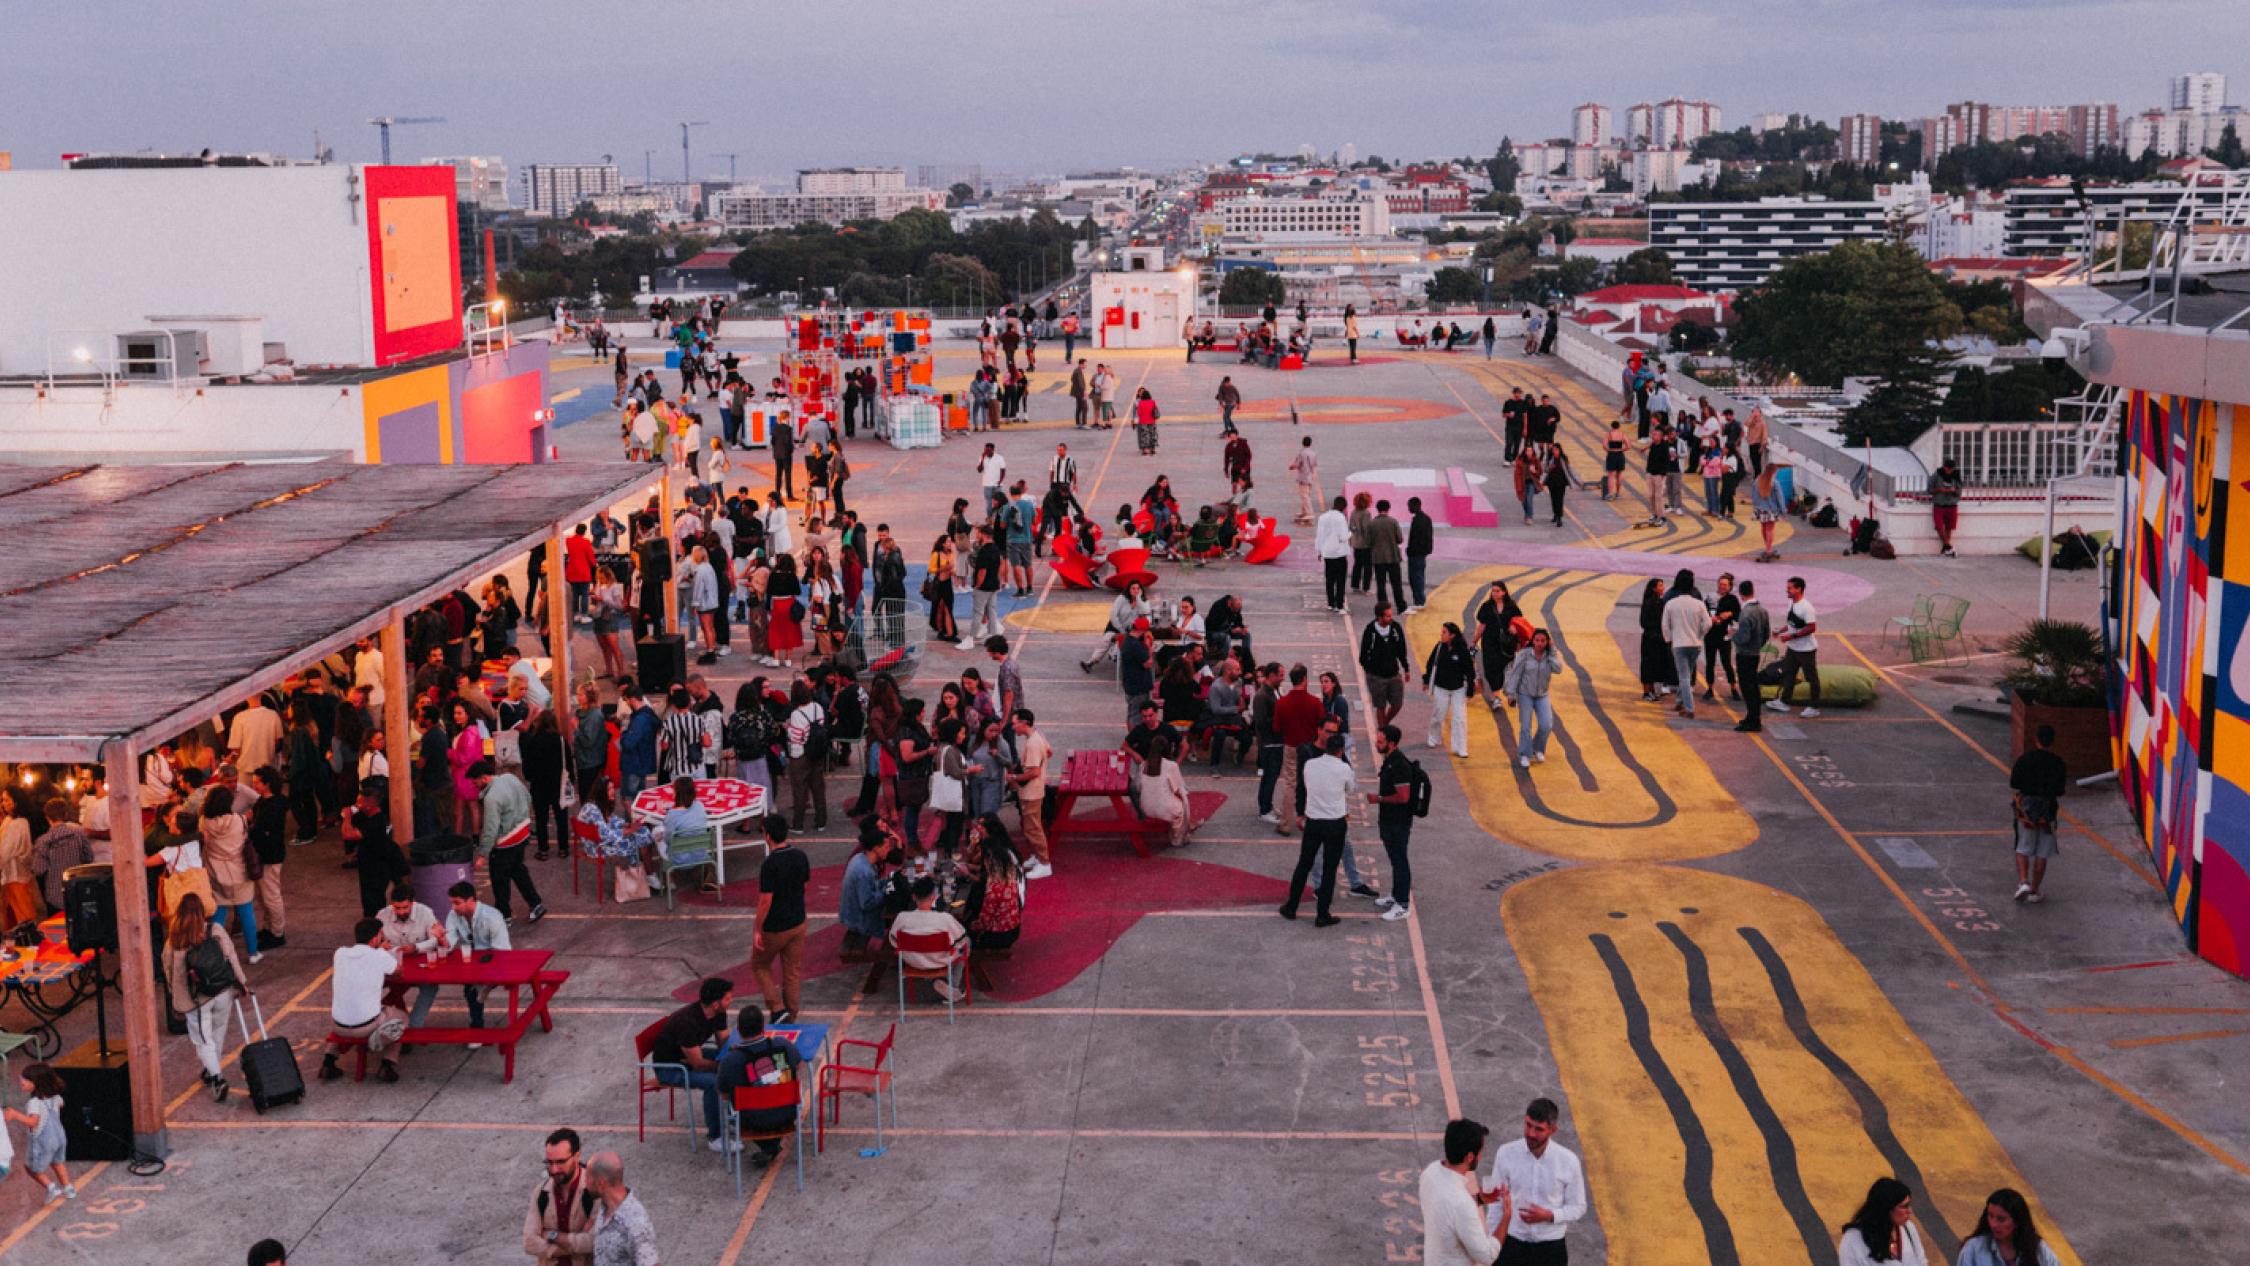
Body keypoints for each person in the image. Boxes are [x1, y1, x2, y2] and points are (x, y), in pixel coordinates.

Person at [165, 893, 248, 1103]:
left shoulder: (175, 939)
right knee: (217, 1033)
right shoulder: (215, 930)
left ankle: (217, 1079)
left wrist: (175, 992)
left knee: (203, 1039)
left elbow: (167, 969)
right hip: (222, 991)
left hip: (196, 999)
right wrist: (242, 982)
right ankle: (211, 1069)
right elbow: (231, 956)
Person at [1483, 1097, 1586, 1264]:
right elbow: (1496, 1202)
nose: (1531, 1133)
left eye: (1539, 1129)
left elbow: (1578, 1207)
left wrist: (1550, 1215)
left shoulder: (1568, 1161)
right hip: (1511, 1243)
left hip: (1550, 1248)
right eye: (1528, 1125)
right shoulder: (1506, 1153)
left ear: (1553, 1130)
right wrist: (1491, 1243)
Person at [652, 976, 736, 1153]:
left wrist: (730, 1058)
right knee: (714, 1083)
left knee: (734, 1063)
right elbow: (698, 1064)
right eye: (728, 998)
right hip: (671, 1067)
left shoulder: (719, 1012)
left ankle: (731, 1117)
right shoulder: (687, 1022)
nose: (731, 1000)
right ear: (715, 1004)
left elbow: (724, 1042)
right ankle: (715, 1137)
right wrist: (722, 1066)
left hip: (688, 1055)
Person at [319, 917, 408, 1084]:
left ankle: (328, 1062)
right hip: (366, 1027)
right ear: (375, 937)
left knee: (350, 1013)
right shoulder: (379, 955)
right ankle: (387, 1063)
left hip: (338, 1026)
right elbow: (398, 972)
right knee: (401, 1018)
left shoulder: (340, 953)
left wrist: (378, 950)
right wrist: (382, 951)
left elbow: (363, 961)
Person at [1278, 734, 1353, 927]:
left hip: (1314, 821)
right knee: (1329, 869)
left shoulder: (1310, 765)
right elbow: (1350, 788)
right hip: (1335, 823)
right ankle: (1322, 914)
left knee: (1304, 863)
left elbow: (1305, 786)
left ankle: (1291, 906)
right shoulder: (1344, 768)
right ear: (1340, 750)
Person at [715, 1005, 802, 1169]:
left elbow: (723, 1094)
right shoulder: (783, 1045)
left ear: (739, 1030)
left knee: (731, 1105)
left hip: (750, 1122)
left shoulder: (730, 1060)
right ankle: (771, 1146)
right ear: (763, 1027)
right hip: (786, 1115)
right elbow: (798, 1066)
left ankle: (769, 1147)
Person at [1421, 1118, 1508, 1266]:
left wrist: (1479, 1199)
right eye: (1480, 1152)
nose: (1481, 1156)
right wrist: (1506, 1216)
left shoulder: (1430, 1172)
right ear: (1470, 1157)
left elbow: (1448, 1211)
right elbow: (1487, 1255)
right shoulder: (1462, 1203)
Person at [752, 815, 810, 1023]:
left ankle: (777, 1008)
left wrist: (757, 929)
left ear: (768, 836)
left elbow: (765, 901)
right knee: (792, 970)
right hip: (798, 921)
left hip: (776, 926)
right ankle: (792, 1014)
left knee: (759, 965)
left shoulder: (770, 864)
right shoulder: (800, 856)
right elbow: (804, 887)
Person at [475, 759, 546, 924]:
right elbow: (528, 797)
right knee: (518, 870)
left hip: (505, 842)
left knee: (500, 880)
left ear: (484, 778)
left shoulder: (491, 798)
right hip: (521, 834)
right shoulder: (510, 778)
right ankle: (535, 903)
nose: (474, 784)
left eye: (475, 781)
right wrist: (523, 819)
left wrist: (483, 854)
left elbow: (491, 828)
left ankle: (504, 915)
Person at [2009, 724, 2066, 904]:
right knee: (2042, 852)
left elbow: (2014, 782)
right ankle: (2034, 890)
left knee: (2022, 847)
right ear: (2053, 741)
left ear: (2036, 740)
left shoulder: (2025, 759)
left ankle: (2023, 882)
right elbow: (2060, 790)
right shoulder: (2058, 763)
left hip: (2026, 811)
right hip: (2047, 812)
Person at [524, 1127, 597, 1266]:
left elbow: (595, 1241)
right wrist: (574, 1244)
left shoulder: (594, 1191)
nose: (554, 1169)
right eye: (549, 1162)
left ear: (576, 1156)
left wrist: (551, 1236)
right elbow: (529, 1242)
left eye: (560, 1162)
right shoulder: (541, 1193)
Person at [1368, 725, 1419, 922]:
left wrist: (1379, 799)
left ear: (1392, 743)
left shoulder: (1399, 765)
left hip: (1398, 823)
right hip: (1390, 821)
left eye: (1380, 741)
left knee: (1399, 861)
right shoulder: (1391, 760)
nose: (1376, 744)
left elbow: (1403, 797)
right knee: (1395, 860)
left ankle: (1403, 905)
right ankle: (1396, 895)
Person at [889, 876, 968, 1002]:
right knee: (966, 942)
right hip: (940, 961)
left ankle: (942, 982)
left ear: (913, 897)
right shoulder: (945, 918)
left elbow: (893, 941)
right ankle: (952, 984)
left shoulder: (901, 918)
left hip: (912, 962)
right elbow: (961, 940)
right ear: (933, 897)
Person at [8, 1063, 71, 1202]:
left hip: (44, 1141)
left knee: (31, 1168)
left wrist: (15, 1115)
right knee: (57, 1162)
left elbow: (33, 1122)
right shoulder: (56, 1097)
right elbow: (61, 1104)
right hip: (59, 1137)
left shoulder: (34, 1103)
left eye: (24, 1080)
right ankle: (68, 1188)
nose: (21, 1082)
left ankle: (51, 1187)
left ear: (35, 1083)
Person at [586, 1152, 661, 1266]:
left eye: (588, 1178)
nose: (585, 1183)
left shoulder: (636, 1224)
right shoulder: (604, 1207)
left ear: (601, 1183)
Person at [1503, 630, 1563, 768]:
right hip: (1525, 694)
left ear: (1547, 642)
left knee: (1546, 724)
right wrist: (1511, 694)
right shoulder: (1524, 654)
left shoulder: (1549, 656)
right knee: (1525, 725)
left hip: (1542, 695)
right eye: (1537, 640)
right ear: (1532, 641)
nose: (1540, 644)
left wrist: (1553, 652)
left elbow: (1558, 669)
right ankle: (1524, 754)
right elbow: (1515, 674)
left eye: (1543, 641)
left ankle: (1537, 749)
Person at [1838, 1177, 1929, 1266]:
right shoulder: (1853, 1240)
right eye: (1904, 1206)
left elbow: (1921, 1261)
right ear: (1886, 1209)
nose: (1910, 1211)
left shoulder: (1908, 1228)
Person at [1765, 576, 1822, 719]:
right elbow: (1791, 623)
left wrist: (1791, 637)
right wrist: (1781, 630)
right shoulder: (1791, 603)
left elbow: (1811, 628)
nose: (1787, 590)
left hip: (1806, 649)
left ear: (1799, 589)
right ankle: (1784, 701)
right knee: (1788, 674)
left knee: (1811, 678)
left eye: (1790, 588)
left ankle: (1814, 706)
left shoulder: (1806, 607)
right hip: (1793, 648)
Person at [1956, 1188, 2060, 1266]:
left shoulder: (2040, 1251)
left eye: (2001, 1219)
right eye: (1990, 1216)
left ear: (2017, 1222)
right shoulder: (1973, 1249)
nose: (1993, 1224)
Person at [1661, 569, 1712, 719]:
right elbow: (1708, 623)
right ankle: (1679, 701)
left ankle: (1689, 708)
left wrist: (1669, 639)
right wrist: (1700, 633)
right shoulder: (1699, 604)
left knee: (1683, 676)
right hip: (1695, 644)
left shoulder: (1671, 603)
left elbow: (1665, 625)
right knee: (1687, 674)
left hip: (1679, 643)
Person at [1010, 709, 1054, 879]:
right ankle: (1038, 856)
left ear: (1024, 723)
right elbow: (1049, 752)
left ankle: (1044, 863)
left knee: (1033, 829)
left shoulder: (1032, 743)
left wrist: (1014, 777)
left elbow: (1033, 772)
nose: (1013, 727)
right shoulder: (1038, 736)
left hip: (1031, 792)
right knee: (1032, 826)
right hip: (1034, 790)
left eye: (1014, 723)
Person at [1421, 621, 1475, 758]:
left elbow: (1469, 670)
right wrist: (1426, 680)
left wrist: (1470, 689)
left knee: (1460, 718)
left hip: (1458, 689)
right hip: (1441, 688)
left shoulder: (1462, 651)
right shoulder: (1439, 648)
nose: (1441, 634)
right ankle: (1434, 737)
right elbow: (1430, 664)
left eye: (1444, 632)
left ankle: (1460, 747)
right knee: (1438, 714)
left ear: (1452, 635)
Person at [1135, 735, 1193, 848]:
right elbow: (1178, 790)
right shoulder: (1171, 766)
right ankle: (1178, 837)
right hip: (1164, 810)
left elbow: (1138, 787)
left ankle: (1181, 827)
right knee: (1184, 800)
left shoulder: (1144, 765)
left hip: (1146, 808)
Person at [1359, 603, 1410, 731]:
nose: (1390, 618)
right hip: (1376, 677)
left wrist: (1406, 668)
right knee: (1380, 706)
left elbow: (1401, 649)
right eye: (1387, 616)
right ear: (1379, 617)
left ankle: (1384, 725)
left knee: (1397, 704)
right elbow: (1363, 655)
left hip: (1394, 674)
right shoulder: (1370, 631)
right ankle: (1383, 731)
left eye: (1390, 615)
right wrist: (1370, 671)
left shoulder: (1395, 628)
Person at [1731, 580, 1773, 733]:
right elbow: (1766, 633)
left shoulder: (1745, 613)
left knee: (1747, 688)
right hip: (1755, 653)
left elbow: (1743, 638)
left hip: (1745, 654)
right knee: (1753, 687)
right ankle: (1753, 717)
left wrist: (1732, 636)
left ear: (1741, 594)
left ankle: (1753, 720)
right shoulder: (1762, 610)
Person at [1702, 573, 1742, 703]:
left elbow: (1738, 615)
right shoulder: (1709, 597)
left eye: (1725, 585)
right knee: (1710, 663)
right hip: (1710, 635)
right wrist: (1711, 618)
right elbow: (1703, 612)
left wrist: (1729, 614)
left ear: (1730, 587)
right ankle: (1709, 688)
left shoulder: (1733, 600)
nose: (1722, 586)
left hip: (1725, 636)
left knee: (1726, 663)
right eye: (1720, 584)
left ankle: (1733, 688)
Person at [1369, 499, 1406, 613]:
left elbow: (1369, 541)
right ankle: (1401, 606)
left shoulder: (1372, 523)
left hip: (1378, 558)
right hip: (1393, 556)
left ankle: (1383, 607)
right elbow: (1400, 539)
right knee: (1396, 583)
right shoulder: (1393, 522)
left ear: (1377, 509)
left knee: (1381, 584)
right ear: (1388, 509)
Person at [1315, 495, 1351, 612]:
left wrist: (1319, 550)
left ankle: (1330, 603)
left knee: (1329, 580)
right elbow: (1343, 537)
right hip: (1339, 553)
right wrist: (1351, 533)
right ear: (1343, 507)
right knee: (1340, 580)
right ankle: (1339, 604)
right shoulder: (1341, 518)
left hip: (1327, 553)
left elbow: (1319, 536)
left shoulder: (1323, 517)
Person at [1405, 497, 1434, 612]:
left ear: (1415, 505)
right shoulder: (1426, 518)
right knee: (1419, 575)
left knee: (1415, 576)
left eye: (1409, 506)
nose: (1409, 508)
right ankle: (1419, 599)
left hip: (1416, 553)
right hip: (1421, 553)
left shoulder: (1418, 520)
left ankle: (1419, 601)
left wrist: (1410, 550)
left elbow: (1417, 539)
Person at [1930, 458, 1963, 557]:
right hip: (1939, 504)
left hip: (1952, 505)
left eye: (1951, 469)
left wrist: (1953, 491)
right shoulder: (1936, 475)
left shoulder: (1956, 475)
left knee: (1949, 527)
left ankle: (1946, 549)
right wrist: (1940, 490)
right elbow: (1929, 489)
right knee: (1939, 526)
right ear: (1944, 467)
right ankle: (1948, 547)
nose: (1949, 471)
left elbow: (1959, 492)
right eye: (1948, 469)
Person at [1291, 437, 1321, 525]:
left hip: (1303, 477)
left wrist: (1292, 467)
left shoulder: (1301, 453)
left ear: (1302, 443)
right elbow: (1314, 464)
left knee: (1304, 495)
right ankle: (1304, 511)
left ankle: (1309, 513)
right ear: (1310, 444)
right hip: (1310, 476)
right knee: (1307, 494)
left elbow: (1297, 464)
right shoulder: (1313, 453)